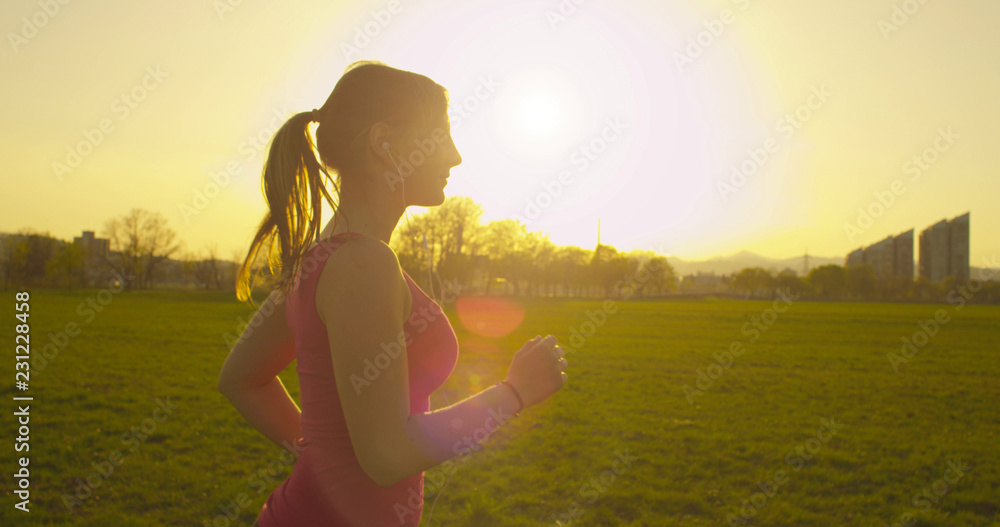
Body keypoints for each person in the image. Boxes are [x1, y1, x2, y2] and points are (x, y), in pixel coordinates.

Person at [216, 60, 569, 526]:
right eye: (440, 135)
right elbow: (387, 456)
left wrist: (322, 455)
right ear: (384, 143)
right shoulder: (363, 265)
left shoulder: (322, 256)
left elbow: (241, 379)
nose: (456, 156)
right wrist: (515, 392)